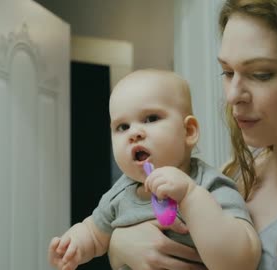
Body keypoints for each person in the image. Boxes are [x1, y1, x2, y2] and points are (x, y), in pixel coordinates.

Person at [108, 0, 277, 269]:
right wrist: (120, 244)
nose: (232, 96)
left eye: (261, 74)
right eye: (228, 72)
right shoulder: (235, 174)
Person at [48, 69, 261, 270]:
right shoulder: (120, 194)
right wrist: (73, 245)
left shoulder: (209, 184)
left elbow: (243, 259)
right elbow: (94, 234)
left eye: (151, 119)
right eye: (123, 127)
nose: (134, 133)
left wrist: (190, 195)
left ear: (188, 131)